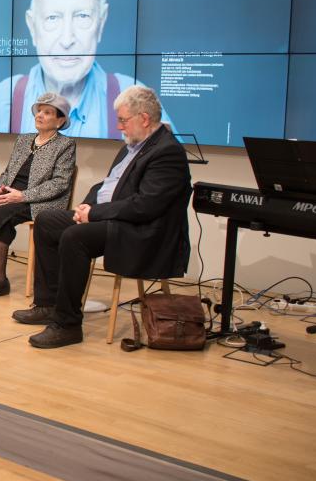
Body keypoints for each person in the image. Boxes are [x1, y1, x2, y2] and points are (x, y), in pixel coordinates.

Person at [13, 85, 191, 348]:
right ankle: (47, 304)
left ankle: (68, 324)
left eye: (123, 120)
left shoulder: (167, 152)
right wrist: (85, 208)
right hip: (114, 219)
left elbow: (146, 206)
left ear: (144, 118)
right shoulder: (134, 144)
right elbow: (107, 185)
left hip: (141, 230)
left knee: (76, 237)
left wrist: (94, 214)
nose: (119, 126)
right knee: (48, 221)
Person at [0, 0, 171, 138]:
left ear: (101, 23)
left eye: (82, 16)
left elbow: (165, 163)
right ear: (33, 27)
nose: (67, 39)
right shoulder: (1, 99)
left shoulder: (133, 96)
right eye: (52, 17)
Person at [0, 92, 76, 299]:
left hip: (39, 200)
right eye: (39, 111)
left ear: (60, 121)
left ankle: (0, 280)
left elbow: (60, 183)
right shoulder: (24, 139)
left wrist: (22, 196)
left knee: (0, 216)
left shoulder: (65, 145)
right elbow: (8, 171)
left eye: (47, 112)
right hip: (11, 195)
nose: (40, 115)